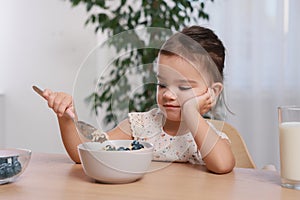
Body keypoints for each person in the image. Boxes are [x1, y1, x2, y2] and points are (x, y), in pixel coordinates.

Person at [42, 26, 235, 174]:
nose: (168, 95)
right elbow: (86, 153)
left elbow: (223, 165)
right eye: (162, 85)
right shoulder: (141, 126)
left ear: (213, 92)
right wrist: (66, 117)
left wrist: (191, 111)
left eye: (183, 87)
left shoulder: (210, 138)